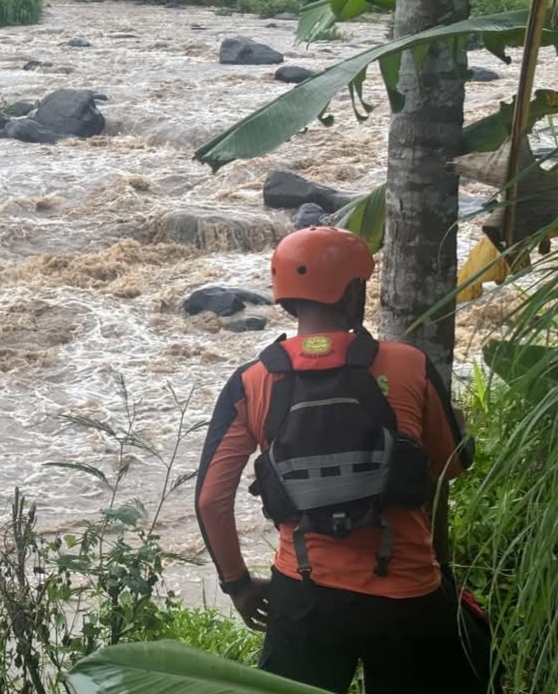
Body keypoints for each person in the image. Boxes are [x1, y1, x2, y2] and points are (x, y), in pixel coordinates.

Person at [194, 226, 491, 694]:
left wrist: (237, 584)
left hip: (303, 596)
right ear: (353, 291)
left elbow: (211, 499)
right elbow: (451, 465)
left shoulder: (252, 380)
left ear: (286, 296)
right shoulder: (408, 364)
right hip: (408, 596)